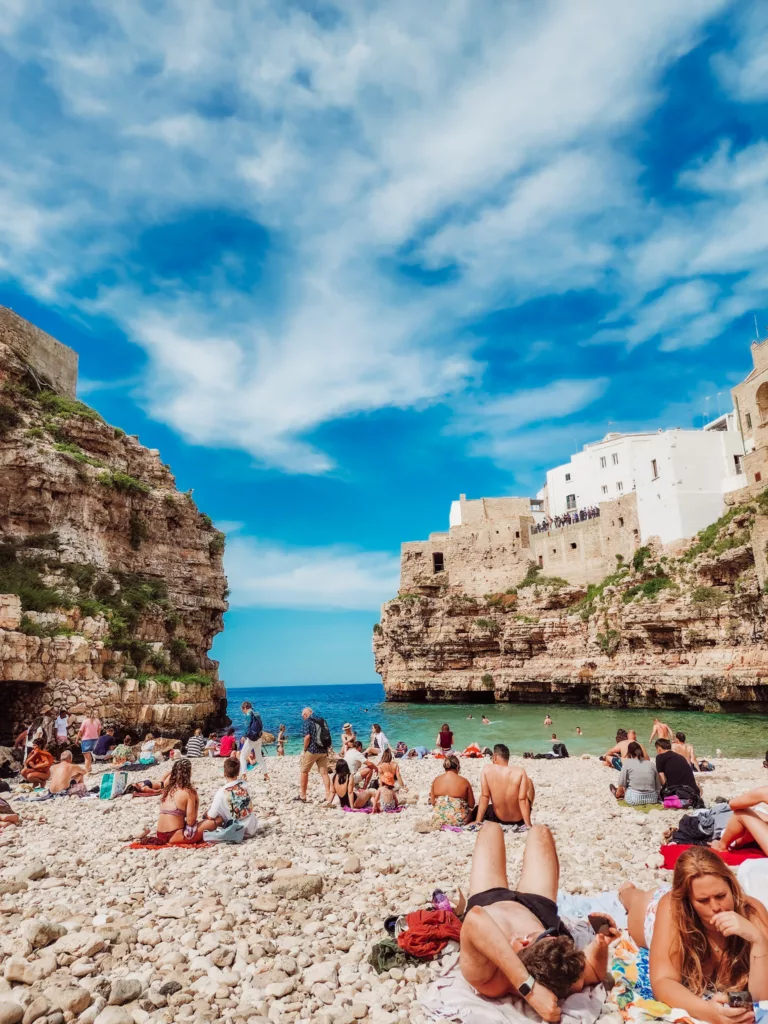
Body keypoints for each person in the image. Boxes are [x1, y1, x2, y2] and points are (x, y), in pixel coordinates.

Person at [460, 822, 618, 1015]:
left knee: (490, 828)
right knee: (540, 832)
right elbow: (594, 972)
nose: (551, 932)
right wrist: (600, 944)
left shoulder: (492, 979)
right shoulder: (559, 968)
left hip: (488, 900)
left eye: (544, 934)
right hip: (537, 907)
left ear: (524, 942)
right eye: (551, 933)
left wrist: (528, 988)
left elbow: (475, 918)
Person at [620, 847, 768, 1020]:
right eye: (703, 901)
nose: (715, 907)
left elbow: (762, 997)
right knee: (635, 900)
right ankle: (625, 891)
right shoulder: (673, 910)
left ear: (732, 887)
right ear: (688, 903)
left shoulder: (753, 911)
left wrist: (758, 940)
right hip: (652, 913)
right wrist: (712, 1014)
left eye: (721, 896)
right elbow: (663, 982)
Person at [152, 759, 210, 844]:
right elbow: (191, 822)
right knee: (213, 822)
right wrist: (196, 804)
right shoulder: (189, 792)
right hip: (175, 835)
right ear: (189, 773)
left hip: (160, 834)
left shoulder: (168, 790)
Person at [476, 744, 534, 827]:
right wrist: (528, 825)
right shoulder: (520, 771)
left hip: (500, 818)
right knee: (529, 782)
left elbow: (485, 797)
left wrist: (478, 821)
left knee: (478, 809)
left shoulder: (487, 769)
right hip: (520, 819)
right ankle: (526, 819)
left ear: (495, 757)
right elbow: (522, 799)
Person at [202, 757, 258, 837]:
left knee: (216, 809)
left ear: (224, 773)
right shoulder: (244, 784)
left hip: (238, 830)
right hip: (252, 827)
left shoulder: (221, 791)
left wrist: (206, 813)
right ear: (238, 773)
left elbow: (211, 816)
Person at [711, 785, 768, 855]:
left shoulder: (764, 791)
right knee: (757, 816)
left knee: (742, 812)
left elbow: (733, 805)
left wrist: (756, 795)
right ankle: (738, 842)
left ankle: (721, 845)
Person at [298, 707, 332, 803]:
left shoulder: (308, 721)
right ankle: (328, 794)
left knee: (304, 771)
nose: (303, 719)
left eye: (303, 717)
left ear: (305, 714)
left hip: (312, 750)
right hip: (323, 750)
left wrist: (304, 749)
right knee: (324, 773)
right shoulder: (322, 719)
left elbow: (307, 737)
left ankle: (303, 795)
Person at [430, 755, 476, 826]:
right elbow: (471, 804)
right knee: (475, 810)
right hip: (459, 821)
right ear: (458, 767)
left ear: (445, 768)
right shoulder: (464, 781)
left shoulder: (436, 780)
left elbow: (433, 802)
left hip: (438, 820)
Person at [239, 701, 266, 778]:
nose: (243, 712)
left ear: (245, 708)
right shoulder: (256, 713)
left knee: (242, 756)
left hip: (252, 738)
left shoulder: (249, 713)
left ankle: (244, 775)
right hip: (258, 737)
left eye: (242, 710)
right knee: (259, 757)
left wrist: (244, 736)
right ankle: (266, 775)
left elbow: (247, 725)